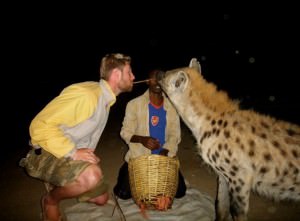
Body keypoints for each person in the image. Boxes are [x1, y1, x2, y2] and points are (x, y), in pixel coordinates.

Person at [19, 53, 135, 221]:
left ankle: (61, 182)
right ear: (117, 75)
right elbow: (39, 126)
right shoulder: (87, 95)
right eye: (129, 72)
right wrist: (74, 152)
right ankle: (50, 200)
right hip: (44, 153)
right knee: (91, 176)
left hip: (65, 153)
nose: (133, 76)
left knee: (101, 199)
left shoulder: (105, 100)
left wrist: (84, 155)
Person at [113, 69, 187, 201]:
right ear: (147, 82)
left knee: (180, 192)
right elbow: (125, 132)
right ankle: (125, 170)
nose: (158, 81)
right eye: (154, 78)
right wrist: (142, 139)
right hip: (140, 157)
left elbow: (175, 135)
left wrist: (166, 151)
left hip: (165, 157)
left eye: (161, 78)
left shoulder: (172, 107)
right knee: (123, 193)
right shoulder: (134, 105)